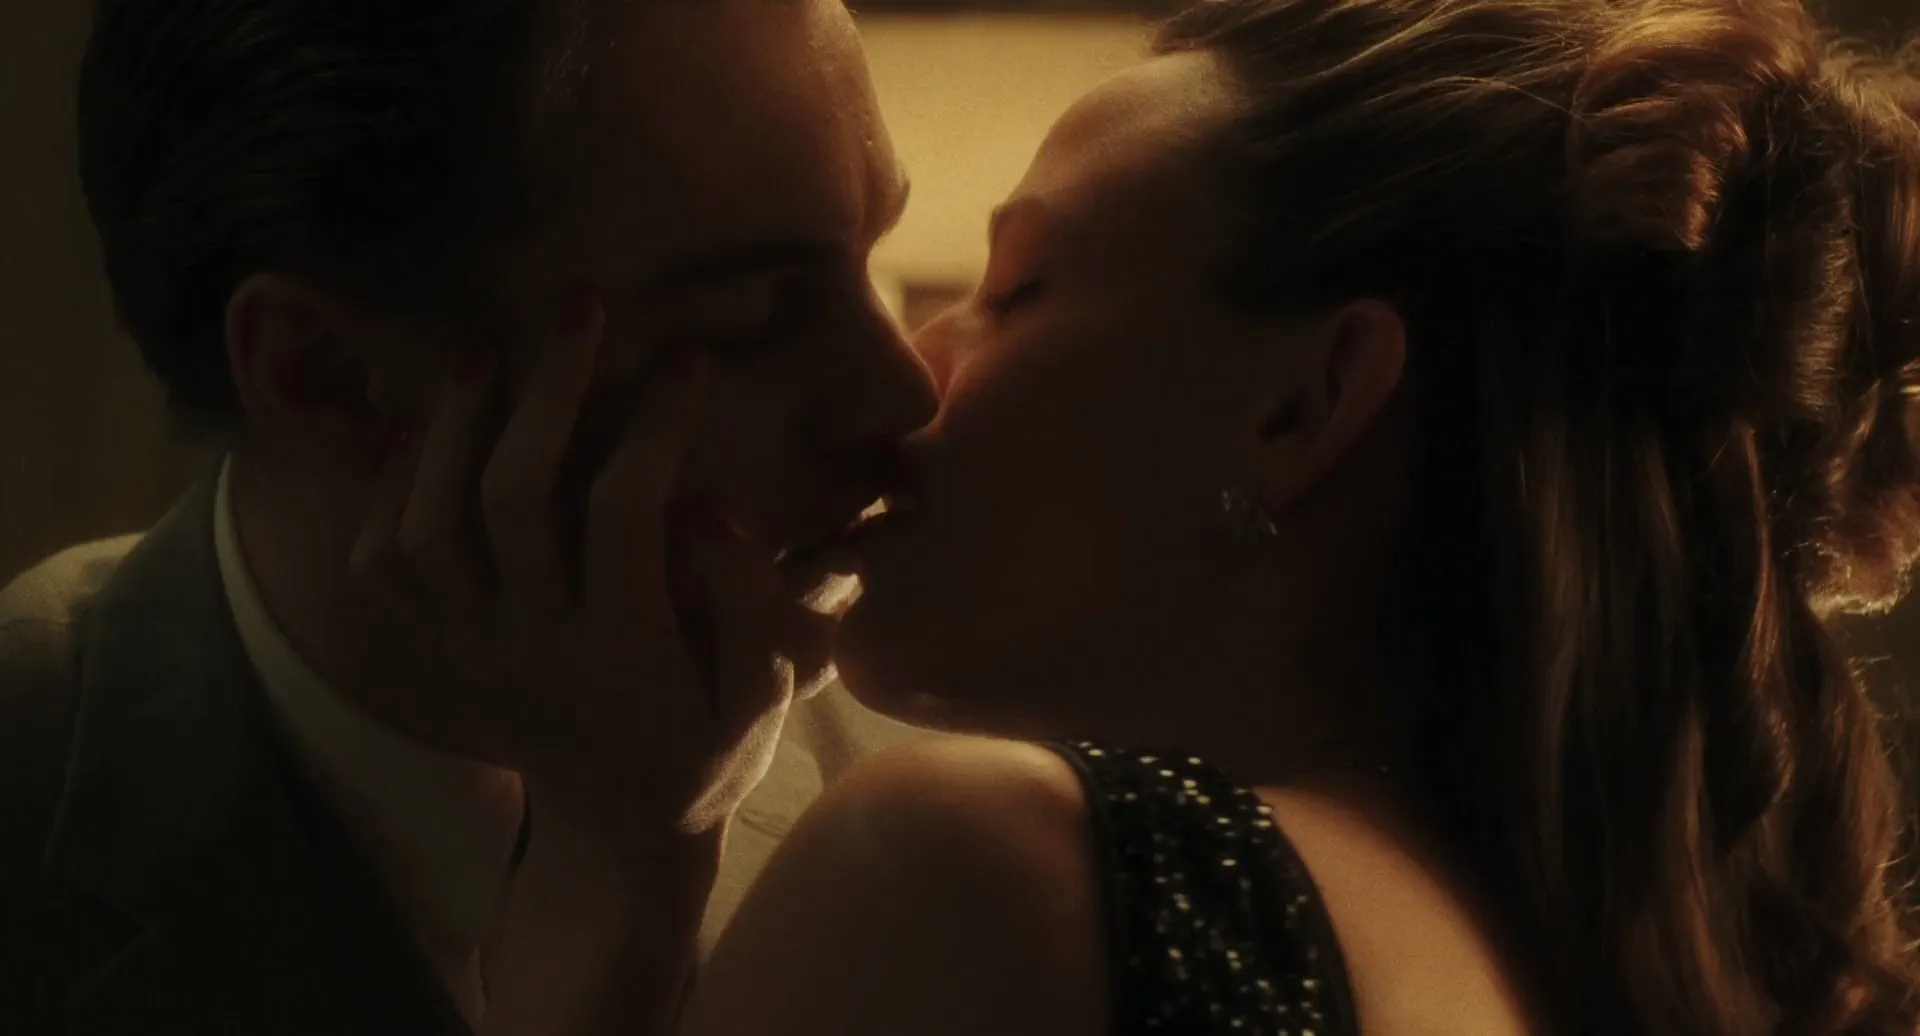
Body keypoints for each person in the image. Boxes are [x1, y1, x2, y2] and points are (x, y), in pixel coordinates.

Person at [361, 0, 1920, 1033]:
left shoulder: (988, 882)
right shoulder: (1576, 966)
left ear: (1304, 407)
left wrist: (613, 868)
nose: (909, 377)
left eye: (1015, 288)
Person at [0, 0, 940, 1032]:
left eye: (875, 250)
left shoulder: (947, 781)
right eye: (750, 317)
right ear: (331, 378)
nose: (905, 397)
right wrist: (622, 880)